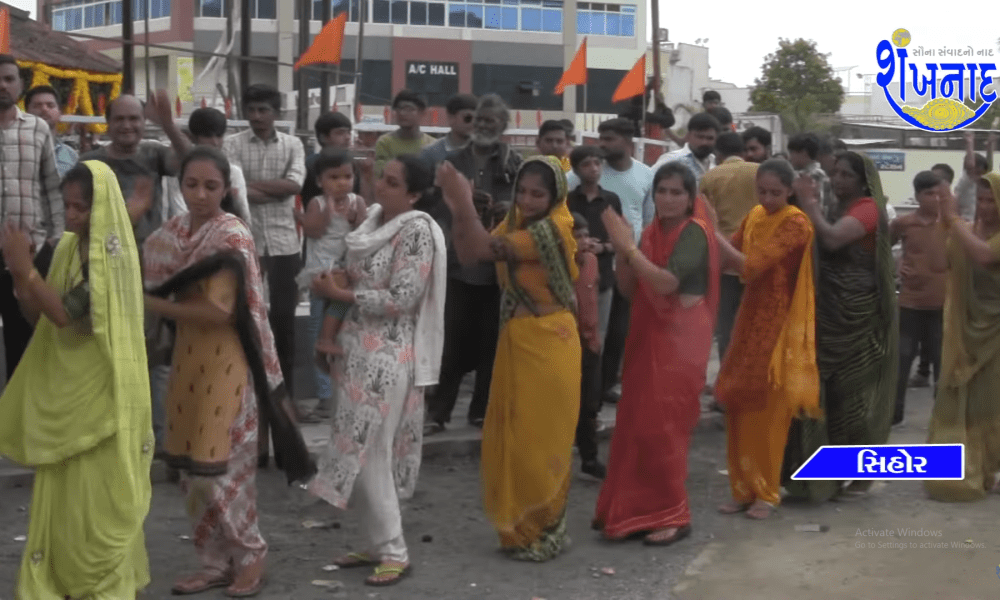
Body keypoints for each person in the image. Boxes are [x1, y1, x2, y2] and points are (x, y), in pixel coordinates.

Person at [143, 146, 315, 597]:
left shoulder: (231, 235)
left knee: (224, 470)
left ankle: (250, 556)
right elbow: (140, 267)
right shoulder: (171, 234)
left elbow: (220, 310)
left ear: (226, 189)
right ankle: (214, 561)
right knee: (192, 472)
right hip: (187, 361)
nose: (200, 194)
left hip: (229, 361)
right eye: (191, 185)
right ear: (179, 186)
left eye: (211, 186)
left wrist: (151, 304)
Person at [0, 161, 153, 599]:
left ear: (100, 208)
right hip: (69, 393)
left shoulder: (112, 256)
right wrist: (21, 279)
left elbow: (67, 312)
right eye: (67, 206)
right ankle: (66, 578)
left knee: (98, 503)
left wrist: (25, 270)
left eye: (81, 208)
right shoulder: (68, 247)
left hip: (102, 397)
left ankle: (100, 581)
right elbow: (42, 318)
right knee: (67, 499)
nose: (71, 216)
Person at [308, 154, 446, 586]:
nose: (379, 187)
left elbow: (403, 297)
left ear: (413, 194)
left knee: (372, 453)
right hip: (352, 349)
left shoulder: (417, 231)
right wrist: (328, 331)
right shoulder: (370, 224)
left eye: (390, 181)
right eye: (379, 178)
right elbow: (347, 278)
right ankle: (375, 544)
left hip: (388, 353)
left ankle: (394, 550)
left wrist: (341, 296)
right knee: (355, 448)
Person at [439, 155, 581, 560]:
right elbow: (470, 253)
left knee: (538, 440)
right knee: (514, 437)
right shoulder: (518, 223)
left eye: (538, 193)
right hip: (518, 338)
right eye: (522, 191)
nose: (528, 199)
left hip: (548, 341)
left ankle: (542, 529)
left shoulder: (550, 229)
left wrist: (462, 201)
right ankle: (519, 530)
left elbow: (484, 248)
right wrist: (459, 207)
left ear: (555, 196)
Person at [593, 162, 720, 546]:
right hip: (650, 333)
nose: (667, 199)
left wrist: (628, 248)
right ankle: (632, 513)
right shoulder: (649, 233)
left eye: (676, 192)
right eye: (661, 191)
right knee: (637, 424)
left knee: (665, 428)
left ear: (689, 197)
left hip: (682, 337)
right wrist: (622, 252)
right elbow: (632, 290)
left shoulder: (694, 232)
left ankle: (673, 514)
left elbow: (666, 283)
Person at [783, 151, 897, 503]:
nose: (838, 180)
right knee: (825, 397)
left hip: (858, 317)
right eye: (835, 173)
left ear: (863, 181)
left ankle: (861, 477)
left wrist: (808, 202)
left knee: (856, 401)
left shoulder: (866, 209)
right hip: (828, 314)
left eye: (846, 175)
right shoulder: (837, 206)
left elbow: (831, 239)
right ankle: (823, 477)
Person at [713, 159, 819, 519]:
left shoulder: (795, 222)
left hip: (780, 324)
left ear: (790, 191)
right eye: (763, 191)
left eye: (776, 192)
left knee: (770, 410)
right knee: (739, 402)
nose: (768, 198)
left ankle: (767, 492)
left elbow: (751, 264)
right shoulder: (755, 215)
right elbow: (730, 256)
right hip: (750, 317)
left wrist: (711, 233)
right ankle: (742, 488)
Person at [424, 93, 522, 433]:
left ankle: (480, 411)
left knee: (490, 345)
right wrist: (459, 201)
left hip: (496, 268)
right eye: (479, 120)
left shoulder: (513, 163)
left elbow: (525, 207)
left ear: (503, 127)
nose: (482, 127)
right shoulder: (451, 163)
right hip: (458, 264)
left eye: (490, 123)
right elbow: (432, 204)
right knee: (451, 343)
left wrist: (507, 207)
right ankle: (438, 414)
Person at [223, 83, 308, 464]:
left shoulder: (293, 145)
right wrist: (274, 192)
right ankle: (253, 422)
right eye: (251, 109)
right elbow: (232, 191)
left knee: (284, 329)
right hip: (248, 246)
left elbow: (295, 185)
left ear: (276, 112)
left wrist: (251, 188)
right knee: (250, 330)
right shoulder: (233, 144)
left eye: (263, 110)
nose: (257, 116)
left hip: (285, 246)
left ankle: (285, 420)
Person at [566, 118, 655, 404]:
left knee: (618, 329)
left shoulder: (645, 175)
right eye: (601, 137)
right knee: (587, 327)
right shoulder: (579, 180)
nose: (603, 144)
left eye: (610, 138)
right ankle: (580, 387)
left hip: (627, 263)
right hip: (588, 266)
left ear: (629, 141)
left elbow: (648, 217)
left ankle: (605, 386)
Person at [923, 173, 1000, 501]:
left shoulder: (981, 236)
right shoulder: (965, 230)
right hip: (964, 334)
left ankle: (990, 466)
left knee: (990, 402)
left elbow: (984, 256)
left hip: (995, 333)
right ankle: (970, 468)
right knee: (961, 401)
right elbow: (940, 264)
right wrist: (944, 224)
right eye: (981, 200)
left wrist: (953, 220)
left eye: (992, 201)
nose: (985, 208)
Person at [0, 55, 65, 382]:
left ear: (20, 85)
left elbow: (52, 186)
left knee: (23, 337)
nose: (2, 85)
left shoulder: (38, 128)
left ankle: (18, 418)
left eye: (9, 79)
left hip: (30, 252)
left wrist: (56, 238)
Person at [296, 147, 368, 394]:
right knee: (316, 329)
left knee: (340, 318)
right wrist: (328, 210)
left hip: (345, 272)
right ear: (319, 181)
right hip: (320, 271)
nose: (341, 183)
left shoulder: (357, 202)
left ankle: (340, 386)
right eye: (333, 178)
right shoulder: (315, 203)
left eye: (347, 177)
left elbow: (363, 233)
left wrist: (353, 219)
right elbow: (313, 231)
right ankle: (323, 392)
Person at [890, 171, 948, 426]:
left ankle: (942, 416)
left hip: (942, 305)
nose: (935, 199)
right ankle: (894, 413)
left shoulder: (953, 224)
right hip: (911, 303)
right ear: (917, 196)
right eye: (929, 194)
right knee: (902, 360)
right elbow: (884, 248)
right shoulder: (904, 223)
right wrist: (895, 267)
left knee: (942, 363)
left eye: (939, 193)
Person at [699, 132, 759, 369]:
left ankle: (726, 386)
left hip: (723, 259)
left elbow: (703, 220)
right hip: (758, 257)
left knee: (727, 328)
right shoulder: (760, 172)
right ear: (743, 151)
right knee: (755, 325)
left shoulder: (710, 177)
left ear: (718, 154)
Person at [566, 144, 623, 347]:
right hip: (572, 277)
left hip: (603, 276)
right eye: (587, 164)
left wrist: (602, 248)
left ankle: (595, 378)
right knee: (571, 334)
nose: (594, 168)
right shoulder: (567, 200)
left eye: (597, 163)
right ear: (575, 170)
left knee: (597, 337)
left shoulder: (611, 200)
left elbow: (620, 240)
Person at [164, 107, 252, 226]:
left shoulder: (233, 173)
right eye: (208, 136)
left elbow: (244, 214)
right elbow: (178, 210)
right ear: (193, 138)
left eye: (219, 136)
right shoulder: (178, 172)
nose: (215, 142)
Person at [571, 211, 606, 479]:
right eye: (576, 236)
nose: (583, 242)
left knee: (590, 404)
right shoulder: (558, 264)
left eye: (585, 235)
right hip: (565, 342)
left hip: (590, 343)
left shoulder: (592, 261)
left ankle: (589, 459)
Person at [374, 90, 436, 178]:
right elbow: (381, 175)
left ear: (422, 113)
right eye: (399, 108)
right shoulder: (384, 142)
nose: (402, 113)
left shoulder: (433, 145)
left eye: (409, 109)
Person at [651, 112, 720, 186]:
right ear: (688, 135)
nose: (704, 142)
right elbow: (648, 186)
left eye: (710, 138)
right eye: (700, 137)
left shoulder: (716, 164)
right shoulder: (671, 160)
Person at [25, 84, 78, 177]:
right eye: (37, 106)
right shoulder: (11, 150)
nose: (44, 109)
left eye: (50, 105)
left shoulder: (70, 156)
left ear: (59, 112)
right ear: (26, 113)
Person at [420, 93, 478, 167]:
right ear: (451, 118)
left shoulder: (486, 154)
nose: (473, 123)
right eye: (468, 118)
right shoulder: (430, 154)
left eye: (477, 119)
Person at [787, 133, 834, 218]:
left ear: (804, 153)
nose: (790, 158)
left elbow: (820, 208)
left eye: (792, 153)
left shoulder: (816, 175)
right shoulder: (805, 175)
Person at [954, 132, 992, 223]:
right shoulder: (966, 182)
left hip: (978, 223)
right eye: (978, 173)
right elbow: (970, 165)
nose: (980, 176)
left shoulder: (979, 185)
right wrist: (969, 143)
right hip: (966, 222)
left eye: (981, 173)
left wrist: (990, 145)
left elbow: (989, 169)